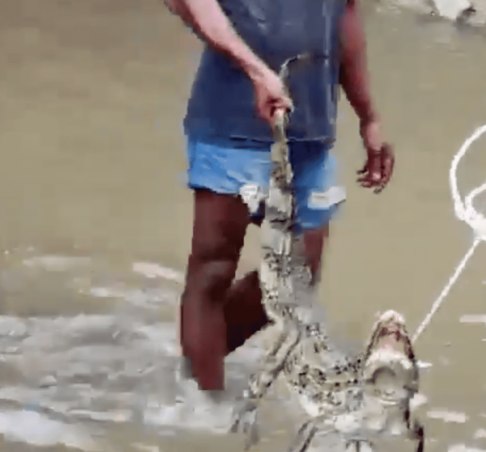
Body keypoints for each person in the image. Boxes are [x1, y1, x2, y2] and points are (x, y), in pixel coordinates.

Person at [164, 0, 395, 397]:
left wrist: (368, 115)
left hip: (311, 127)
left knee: (296, 280)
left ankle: (199, 364)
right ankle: (204, 401)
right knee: (214, 266)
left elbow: (345, 17)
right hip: (230, 122)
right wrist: (254, 69)